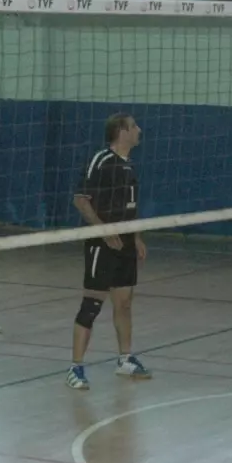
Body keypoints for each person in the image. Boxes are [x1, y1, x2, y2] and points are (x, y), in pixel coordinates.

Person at [67, 113, 148, 388]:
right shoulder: (101, 161)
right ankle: (75, 368)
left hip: (125, 243)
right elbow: (80, 199)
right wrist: (103, 231)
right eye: (134, 125)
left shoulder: (130, 166)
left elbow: (131, 208)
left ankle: (125, 359)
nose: (139, 129)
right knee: (92, 304)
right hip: (102, 243)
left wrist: (135, 237)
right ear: (122, 131)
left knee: (124, 303)